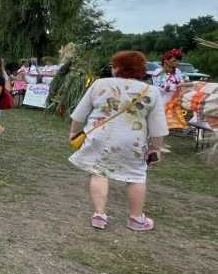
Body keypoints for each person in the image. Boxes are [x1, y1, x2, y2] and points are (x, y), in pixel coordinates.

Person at [68, 51, 168, 231]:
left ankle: (99, 215)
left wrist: (74, 132)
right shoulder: (151, 91)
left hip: (99, 135)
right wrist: (156, 148)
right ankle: (136, 219)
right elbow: (158, 125)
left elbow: (80, 113)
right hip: (133, 140)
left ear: (118, 68)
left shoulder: (100, 84)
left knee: (98, 171)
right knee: (137, 176)